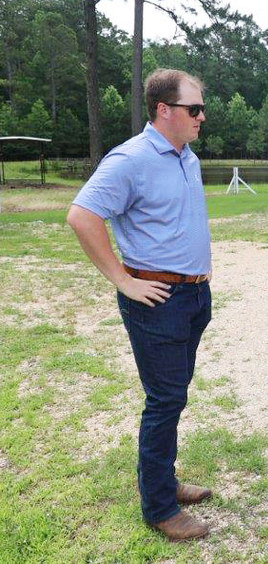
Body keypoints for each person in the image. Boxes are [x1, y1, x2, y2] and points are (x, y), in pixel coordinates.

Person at [67, 69, 214, 541]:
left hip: (192, 295)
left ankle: (164, 482)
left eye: (201, 108)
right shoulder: (129, 159)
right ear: (163, 110)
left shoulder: (185, 156)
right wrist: (123, 280)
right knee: (165, 399)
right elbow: (82, 215)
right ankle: (159, 507)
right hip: (157, 299)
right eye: (194, 109)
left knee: (175, 394)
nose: (201, 117)